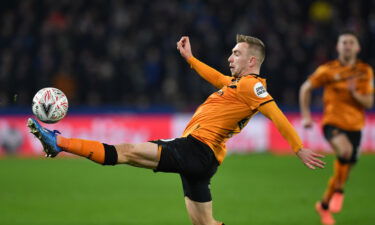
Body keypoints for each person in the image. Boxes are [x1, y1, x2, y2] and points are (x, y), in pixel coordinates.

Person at [28, 34, 325, 225]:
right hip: (203, 159)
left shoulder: (253, 85)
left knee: (127, 152)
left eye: (236, 53)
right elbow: (216, 76)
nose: (230, 57)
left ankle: (60, 142)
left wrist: (298, 147)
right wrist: (190, 59)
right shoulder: (236, 85)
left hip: (196, 149)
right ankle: (59, 143)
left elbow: (276, 114)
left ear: (251, 61)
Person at [299, 31, 373, 225]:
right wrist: (306, 116)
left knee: (345, 166)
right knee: (346, 152)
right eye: (344, 42)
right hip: (332, 123)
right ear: (338, 47)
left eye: (351, 42)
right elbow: (305, 88)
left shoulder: (365, 71)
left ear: (357, 48)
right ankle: (339, 191)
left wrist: (354, 93)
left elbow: (368, 102)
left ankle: (323, 206)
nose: (347, 45)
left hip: (355, 126)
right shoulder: (327, 70)